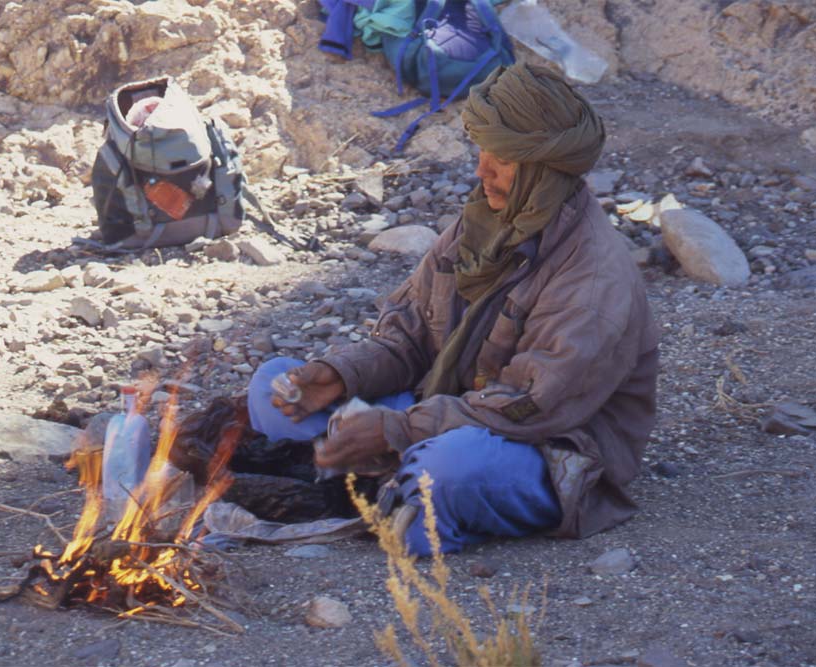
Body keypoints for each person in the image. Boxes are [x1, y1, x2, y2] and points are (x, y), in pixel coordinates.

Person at [247, 63, 659, 556]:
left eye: (502, 158)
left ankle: (377, 484)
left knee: (444, 472)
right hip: (446, 410)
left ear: (544, 170)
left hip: (539, 447)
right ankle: (379, 483)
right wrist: (340, 376)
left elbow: (529, 408)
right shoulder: (481, 225)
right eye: (483, 150)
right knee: (274, 384)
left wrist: (395, 429)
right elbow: (411, 336)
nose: (482, 170)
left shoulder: (593, 279)